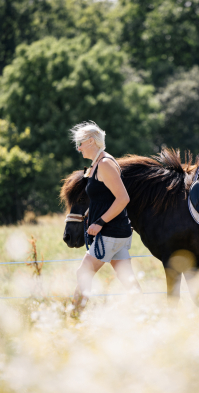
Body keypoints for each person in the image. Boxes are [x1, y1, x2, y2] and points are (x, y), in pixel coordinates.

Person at [71, 121, 141, 314]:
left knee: (83, 272)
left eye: (81, 143)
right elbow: (104, 198)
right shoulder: (98, 164)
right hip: (117, 232)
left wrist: (99, 222)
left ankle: (75, 316)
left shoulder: (105, 164)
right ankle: (142, 313)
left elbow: (123, 198)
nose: (79, 148)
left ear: (91, 141)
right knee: (127, 279)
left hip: (110, 232)